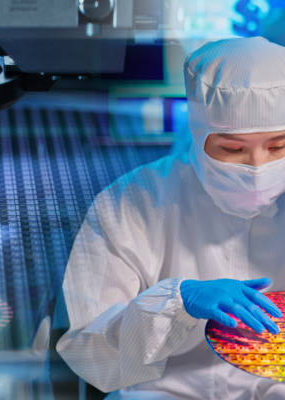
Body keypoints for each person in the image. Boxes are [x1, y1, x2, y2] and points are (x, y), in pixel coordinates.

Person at [57, 37, 285, 400]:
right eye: (232, 148)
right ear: (198, 135)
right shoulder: (130, 203)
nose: (257, 167)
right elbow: (90, 353)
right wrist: (178, 302)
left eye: (278, 146)